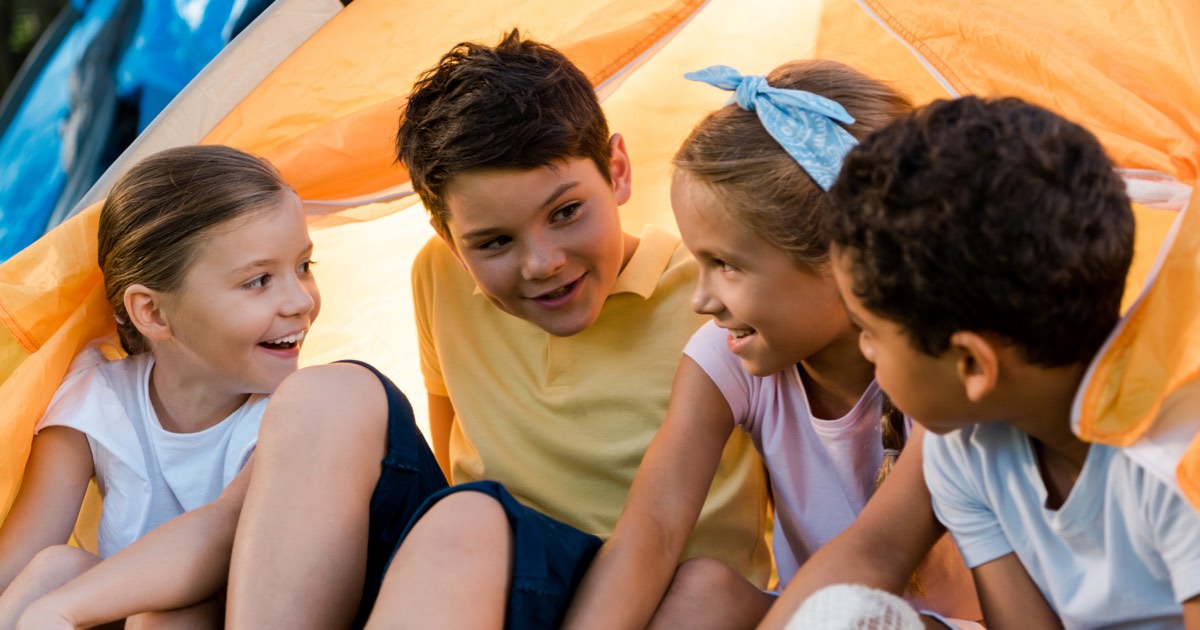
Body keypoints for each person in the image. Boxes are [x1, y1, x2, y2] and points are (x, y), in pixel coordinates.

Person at [225, 29, 769, 628]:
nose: (542, 263)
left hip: (645, 598)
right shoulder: (441, 276)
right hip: (466, 570)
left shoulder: (715, 298)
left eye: (565, 212)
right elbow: (451, 440)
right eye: (493, 242)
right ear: (451, 243)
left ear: (615, 171)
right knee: (325, 394)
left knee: (469, 517)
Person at [561, 60, 980, 630]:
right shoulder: (727, 356)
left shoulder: (945, 375)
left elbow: (875, 553)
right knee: (697, 591)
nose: (701, 299)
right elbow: (650, 531)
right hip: (804, 616)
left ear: (845, 259)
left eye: (725, 265)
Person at [782, 95, 1200, 628]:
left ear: (973, 366)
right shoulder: (965, 453)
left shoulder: (1176, 462)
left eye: (870, 332)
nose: (863, 350)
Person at [0, 144, 321, 628]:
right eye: (259, 281)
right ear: (151, 312)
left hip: (237, 616)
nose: (300, 300)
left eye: (304, 266)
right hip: (115, 614)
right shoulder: (97, 401)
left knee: (167, 616)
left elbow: (210, 553)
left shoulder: (297, 414)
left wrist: (61, 610)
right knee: (54, 566)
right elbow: (15, 565)